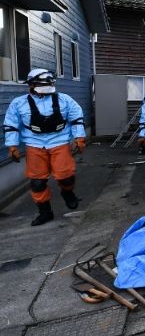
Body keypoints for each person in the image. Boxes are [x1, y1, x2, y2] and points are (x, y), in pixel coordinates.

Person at [3, 69, 86, 226]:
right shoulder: (18, 103)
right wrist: (12, 145)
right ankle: (45, 212)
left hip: (59, 141)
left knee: (66, 176)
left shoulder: (64, 100)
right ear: (31, 84)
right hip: (34, 144)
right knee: (37, 182)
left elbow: (76, 117)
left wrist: (79, 137)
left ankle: (68, 193)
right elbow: (11, 124)